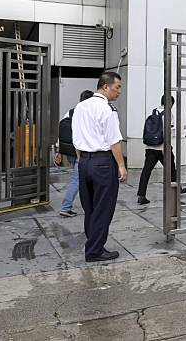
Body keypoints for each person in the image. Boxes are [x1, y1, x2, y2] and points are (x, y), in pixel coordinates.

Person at [72, 72, 127, 262]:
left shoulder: (80, 107)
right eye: (117, 87)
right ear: (105, 86)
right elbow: (114, 142)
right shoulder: (107, 109)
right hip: (103, 163)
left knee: (90, 208)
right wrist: (121, 165)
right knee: (103, 208)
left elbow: (76, 138)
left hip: (84, 162)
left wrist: (82, 159)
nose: (119, 91)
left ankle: (94, 243)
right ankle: (94, 250)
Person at [137, 95, 186, 205]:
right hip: (162, 147)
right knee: (171, 169)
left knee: (146, 171)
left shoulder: (154, 112)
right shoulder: (168, 114)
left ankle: (141, 195)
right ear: (171, 104)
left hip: (150, 147)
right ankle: (177, 191)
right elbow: (169, 132)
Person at [55, 89, 95, 217]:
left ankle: (90, 204)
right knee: (77, 180)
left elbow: (61, 132)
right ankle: (65, 207)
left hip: (69, 151)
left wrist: (59, 150)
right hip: (82, 152)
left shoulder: (70, 112)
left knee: (84, 179)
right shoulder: (88, 114)